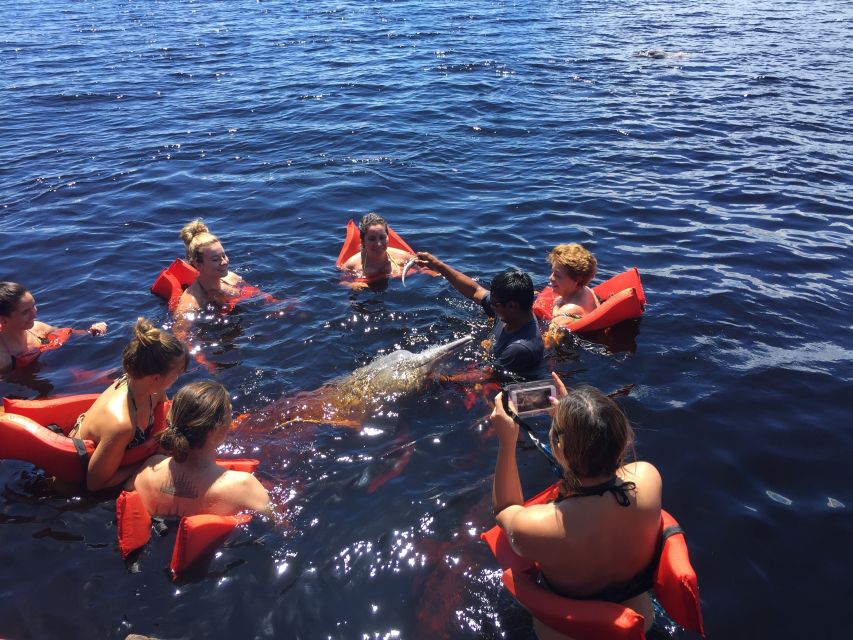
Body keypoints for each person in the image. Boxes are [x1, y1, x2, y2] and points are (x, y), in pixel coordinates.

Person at [490, 373, 662, 639]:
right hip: (641, 621)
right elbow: (600, 467)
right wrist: (578, 424)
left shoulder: (538, 527)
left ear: (558, 449)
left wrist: (507, 440)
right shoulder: (648, 478)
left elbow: (505, 510)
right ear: (625, 441)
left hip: (564, 633)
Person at [69, 318, 189, 491]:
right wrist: (147, 462)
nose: (179, 377)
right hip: (86, 485)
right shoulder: (121, 425)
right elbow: (95, 484)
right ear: (156, 377)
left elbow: (165, 419)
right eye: (177, 373)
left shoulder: (151, 389)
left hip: (124, 455)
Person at [127, 380, 270, 517]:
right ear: (215, 430)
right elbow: (276, 525)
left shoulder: (148, 469)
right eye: (229, 415)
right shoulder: (244, 486)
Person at [414, 253, 544, 377]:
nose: (490, 305)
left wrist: (436, 376)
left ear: (511, 306)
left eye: (494, 303)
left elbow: (486, 375)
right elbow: (475, 290)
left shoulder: (520, 348)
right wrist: (439, 266)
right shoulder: (513, 312)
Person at [0, 281, 107, 374]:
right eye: (25, 312)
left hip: (56, 370)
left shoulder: (38, 329)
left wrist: (91, 331)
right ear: (3, 320)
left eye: (33, 306)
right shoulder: (3, 358)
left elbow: (70, 334)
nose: (34, 314)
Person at [173, 219, 246, 318]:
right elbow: (180, 332)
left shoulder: (231, 278)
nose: (224, 262)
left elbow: (261, 297)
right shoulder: (191, 303)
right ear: (198, 264)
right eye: (216, 260)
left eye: (224, 256)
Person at [340, 213, 416, 281]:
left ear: (388, 237)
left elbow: (424, 269)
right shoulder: (351, 265)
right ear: (363, 241)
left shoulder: (404, 257)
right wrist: (355, 285)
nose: (378, 244)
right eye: (372, 239)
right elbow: (343, 283)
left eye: (382, 237)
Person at [547, 243, 599, 328]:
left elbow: (548, 340)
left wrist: (556, 309)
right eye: (553, 272)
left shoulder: (565, 314)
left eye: (557, 275)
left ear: (577, 279)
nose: (551, 278)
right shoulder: (587, 290)